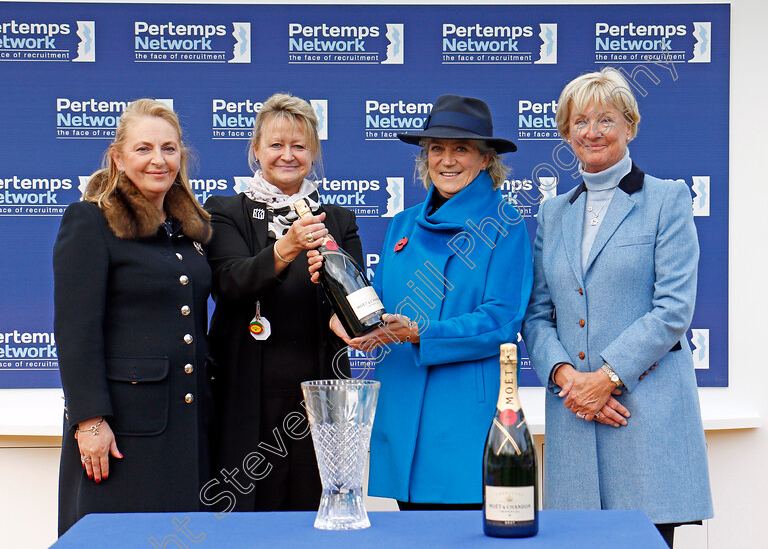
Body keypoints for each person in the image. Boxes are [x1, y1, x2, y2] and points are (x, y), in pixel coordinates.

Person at [311, 94, 533, 509]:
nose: (447, 160)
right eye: (437, 149)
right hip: (401, 402)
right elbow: (380, 303)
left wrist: (422, 333)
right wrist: (351, 322)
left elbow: (501, 321)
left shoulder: (506, 223)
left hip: (462, 416)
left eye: (461, 149)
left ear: (486, 159)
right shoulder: (403, 222)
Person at [522, 68, 713, 547]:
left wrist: (604, 380)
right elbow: (538, 313)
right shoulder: (552, 212)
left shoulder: (668, 199)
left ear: (630, 125)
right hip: (574, 420)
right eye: (579, 121)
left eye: (605, 119)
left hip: (643, 420)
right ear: (566, 133)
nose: (592, 132)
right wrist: (570, 380)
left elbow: (672, 310)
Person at [53, 99, 213, 535]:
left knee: (182, 538)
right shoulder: (90, 220)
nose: (158, 160)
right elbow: (75, 330)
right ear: (117, 157)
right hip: (121, 431)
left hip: (187, 426)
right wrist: (89, 421)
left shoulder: (189, 229)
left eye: (169, 148)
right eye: (143, 149)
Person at [203, 93, 359, 512]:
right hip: (244, 391)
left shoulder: (338, 219)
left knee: (315, 510)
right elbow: (229, 284)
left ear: (314, 153)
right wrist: (286, 247)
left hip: (318, 392)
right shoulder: (225, 210)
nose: (287, 155)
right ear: (255, 150)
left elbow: (352, 298)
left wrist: (348, 320)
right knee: (241, 511)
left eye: (300, 146)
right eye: (276, 144)